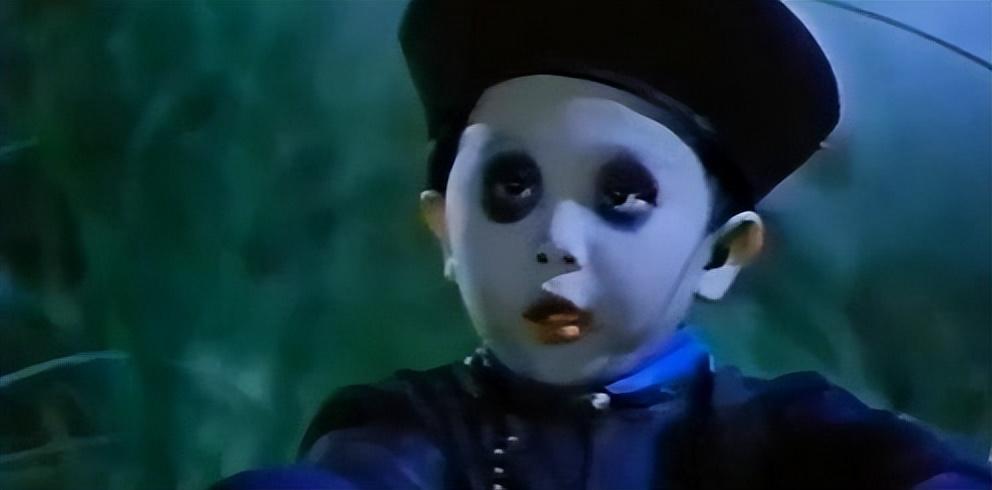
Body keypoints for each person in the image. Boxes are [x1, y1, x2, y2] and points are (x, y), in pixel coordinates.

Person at [213, 1, 992, 488]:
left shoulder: (784, 433)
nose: (556, 241)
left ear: (720, 253)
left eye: (622, 198)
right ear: (446, 228)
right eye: (510, 188)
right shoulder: (410, 428)